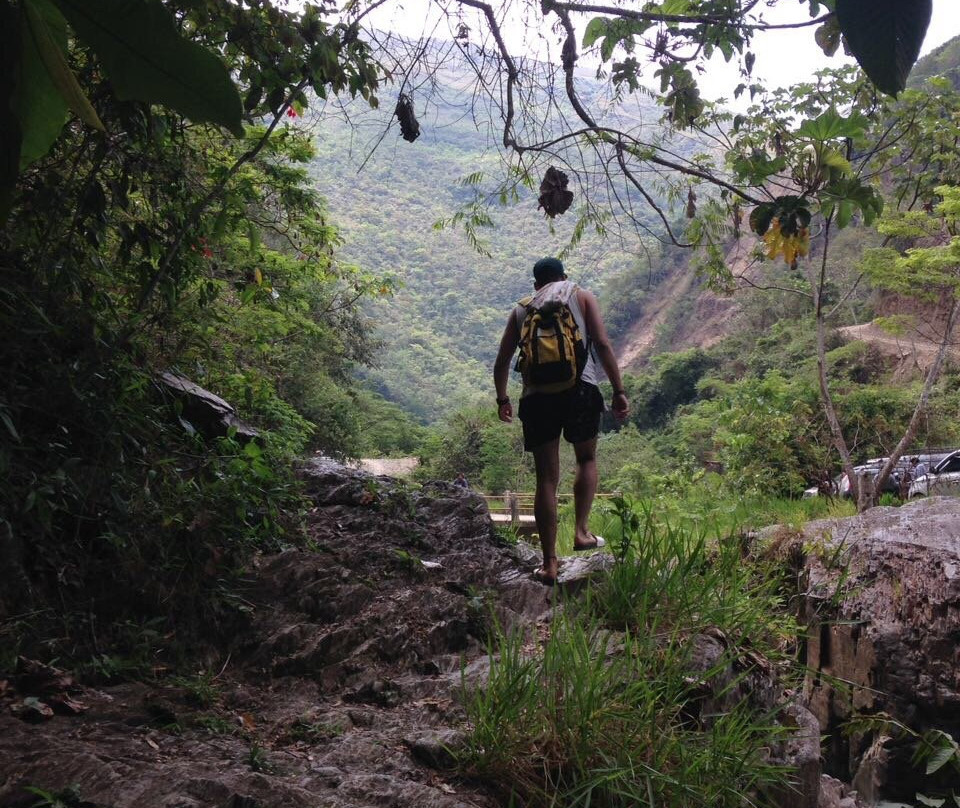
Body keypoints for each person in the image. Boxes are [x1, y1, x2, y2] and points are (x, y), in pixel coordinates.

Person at [493, 257, 629, 585]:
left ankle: (549, 564)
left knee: (546, 480)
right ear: (564, 276)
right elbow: (603, 343)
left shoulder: (523, 309)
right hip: (580, 388)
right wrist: (618, 390)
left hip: (537, 397)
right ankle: (581, 532)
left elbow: (502, 360)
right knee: (586, 458)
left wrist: (503, 399)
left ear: (536, 283)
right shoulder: (581, 296)